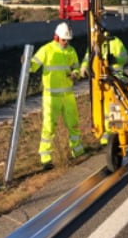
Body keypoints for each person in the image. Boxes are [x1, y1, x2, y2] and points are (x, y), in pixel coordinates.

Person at [27, 22, 85, 168]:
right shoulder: (46, 50)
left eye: (68, 40)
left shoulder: (71, 51)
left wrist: (75, 74)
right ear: (56, 37)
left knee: (74, 125)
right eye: (64, 40)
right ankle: (45, 157)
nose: (66, 42)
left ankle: (77, 151)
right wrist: (26, 62)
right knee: (49, 127)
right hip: (51, 97)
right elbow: (32, 66)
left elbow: (76, 68)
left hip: (68, 95)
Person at [96, 35, 128, 145]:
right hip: (102, 83)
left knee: (115, 108)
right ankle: (107, 133)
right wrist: (83, 67)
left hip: (116, 81)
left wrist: (115, 59)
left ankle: (117, 133)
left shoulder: (115, 42)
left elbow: (124, 57)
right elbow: (89, 57)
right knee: (105, 110)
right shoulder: (95, 43)